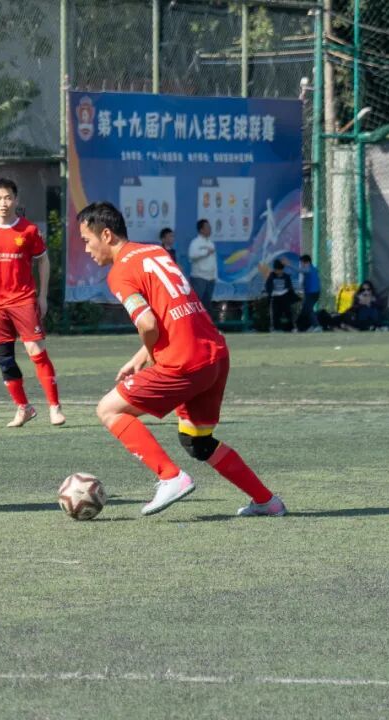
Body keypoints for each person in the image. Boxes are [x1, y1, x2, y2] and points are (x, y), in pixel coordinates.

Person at [78, 201, 286, 518]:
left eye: (87, 240)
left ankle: (170, 476)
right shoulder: (155, 251)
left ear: (106, 235)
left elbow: (148, 324)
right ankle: (267, 501)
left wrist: (150, 353)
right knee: (196, 441)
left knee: (108, 409)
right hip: (214, 355)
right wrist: (142, 355)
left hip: (184, 361)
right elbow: (170, 311)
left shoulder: (119, 272)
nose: (86, 249)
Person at [0, 178, 65, 427]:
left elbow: (43, 260)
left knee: (36, 351)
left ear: (16, 200)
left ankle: (54, 407)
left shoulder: (28, 230)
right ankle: (23, 408)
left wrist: (42, 296)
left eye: (8, 198)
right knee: (4, 358)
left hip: (23, 300)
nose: (3, 203)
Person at [187, 219, 217, 313]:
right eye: (207, 227)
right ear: (201, 230)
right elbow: (192, 255)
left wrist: (214, 276)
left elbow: (213, 261)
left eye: (210, 227)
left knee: (207, 305)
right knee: (196, 304)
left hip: (210, 278)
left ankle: (207, 322)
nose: (210, 229)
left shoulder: (211, 243)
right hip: (199, 278)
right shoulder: (195, 242)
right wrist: (206, 252)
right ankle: (195, 322)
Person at [264, 259, 296, 332]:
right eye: (277, 270)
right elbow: (268, 286)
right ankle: (275, 328)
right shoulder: (271, 276)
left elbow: (290, 287)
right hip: (275, 297)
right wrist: (270, 293)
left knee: (288, 312)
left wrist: (290, 294)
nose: (278, 272)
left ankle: (292, 328)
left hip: (284, 296)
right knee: (275, 313)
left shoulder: (286, 276)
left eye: (280, 270)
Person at [296, 254, 321, 332]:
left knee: (309, 309)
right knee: (305, 310)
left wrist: (288, 265)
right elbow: (305, 282)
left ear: (307, 262)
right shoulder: (312, 269)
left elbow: (300, 270)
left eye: (302, 263)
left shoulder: (310, 269)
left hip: (313, 293)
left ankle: (317, 326)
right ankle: (310, 326)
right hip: (311, 293)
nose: (301, 265)